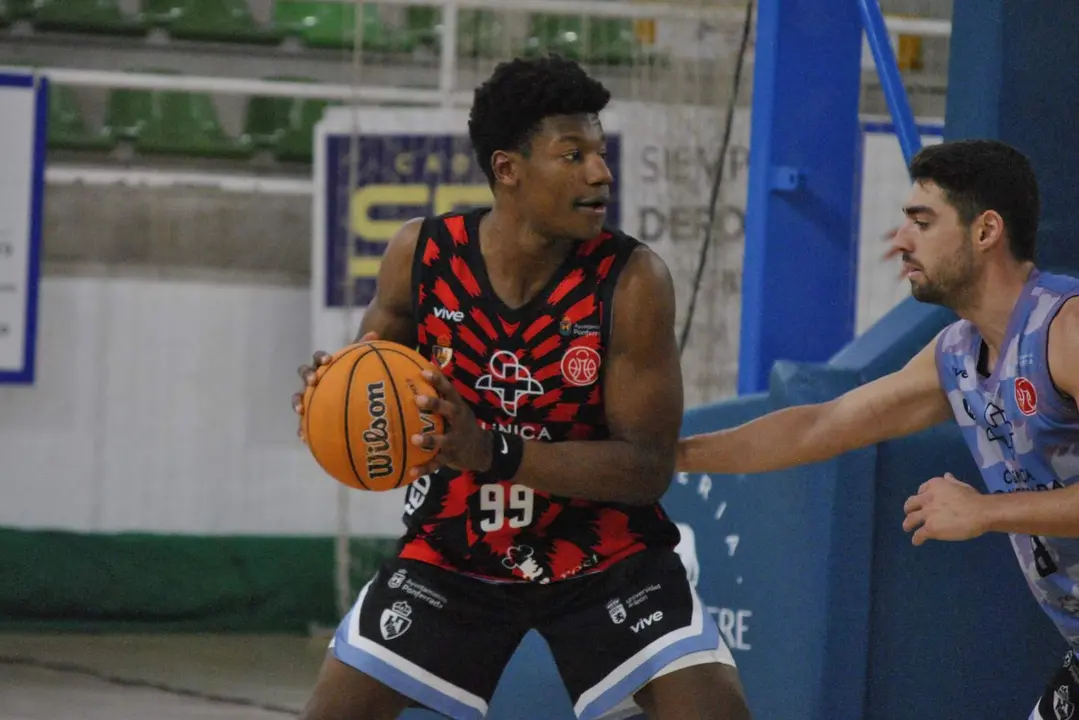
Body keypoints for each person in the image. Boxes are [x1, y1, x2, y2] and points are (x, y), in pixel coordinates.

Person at [292, 55, 750, 720]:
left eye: (599, 151)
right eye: (572, 155)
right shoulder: (420, 256)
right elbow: (373, 385)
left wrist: (492, 451)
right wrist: (328, 395)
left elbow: (646, 470)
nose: (600, 172)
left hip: (604, 552)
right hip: (455, 545)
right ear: (507, 169)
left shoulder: (631, 281)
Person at [676, 139, 1079, 719]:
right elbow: (819, 426)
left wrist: (987, 511)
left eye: (922, 221)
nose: (900, 241)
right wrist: (677, 455)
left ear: (986, 230)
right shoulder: (957, 354)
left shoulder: (1064, 329)